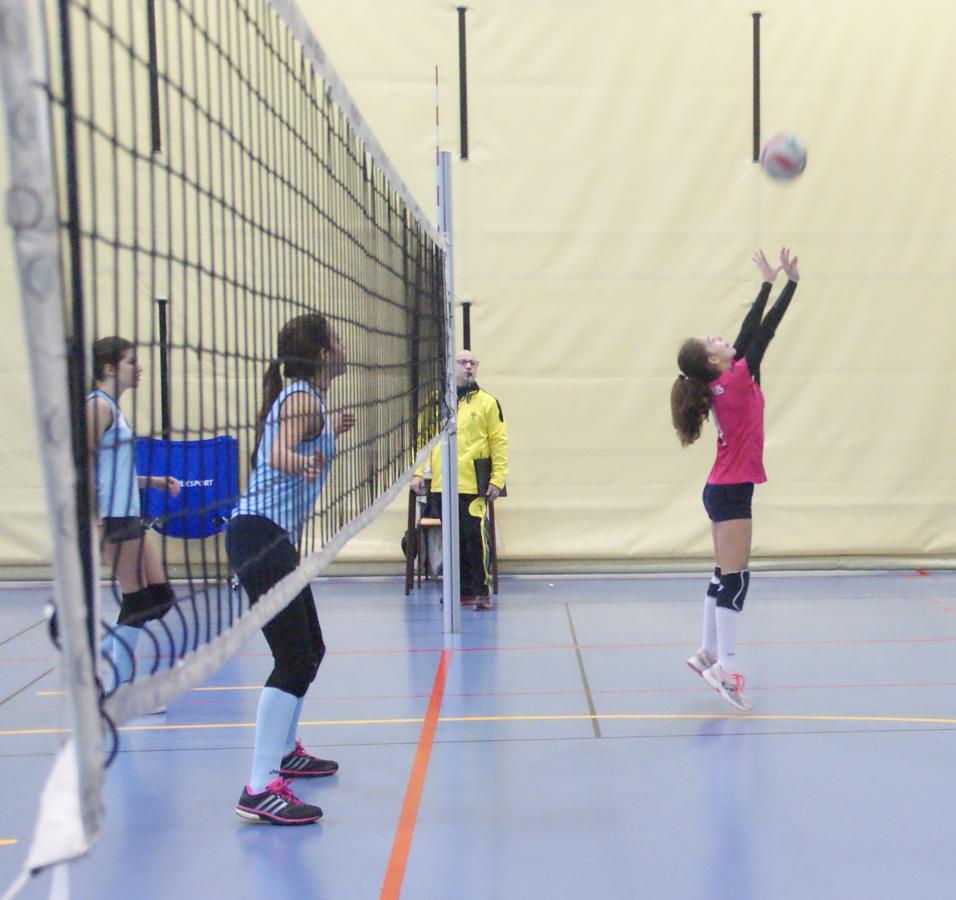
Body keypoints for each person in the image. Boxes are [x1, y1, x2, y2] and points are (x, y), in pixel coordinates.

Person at [227, 312, 355, 826]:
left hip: (270, 538)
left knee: (311, 650)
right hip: (259, 537)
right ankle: (259, 788)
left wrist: (328, 430)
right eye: (337, 341)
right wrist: (297, 460)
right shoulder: (301, 399)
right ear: (323, 354)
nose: (343, 347)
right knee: (294, 657)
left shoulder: (309, 402)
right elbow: (276, 450)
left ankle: (284, 753)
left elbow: (296, 436)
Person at [670, 248, 800, 712]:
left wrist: (768, 282)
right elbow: (761, 333)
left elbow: (748, 337)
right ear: (714, 360)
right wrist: (788, 284)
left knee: (722, 574)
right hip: (730, 492)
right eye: (715, 341)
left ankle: (707, 652)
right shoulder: (737, 378)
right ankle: (724, 668)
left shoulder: (727, 381)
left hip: (722, 489)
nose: (723, 339)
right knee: (736, 580)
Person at [87, 337, 181, 692]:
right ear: (109, 368)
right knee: (137, 600)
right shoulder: (97, 407)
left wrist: (151, 481)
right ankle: (119, 686)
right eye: (131, 361)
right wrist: (95, 521)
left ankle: (110, 658)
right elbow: (83, 467)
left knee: (160, 597)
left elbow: (112, 470)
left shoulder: (113, 407)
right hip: (111, 518)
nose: (139, 368)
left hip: (128, 513)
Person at [410, 349, 508, 610]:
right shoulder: (436, 402)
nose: (468, 367)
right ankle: (461, 591)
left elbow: (499, 442)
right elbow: (422, 440)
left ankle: (481, 591)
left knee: (475, 537)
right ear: (451, 367)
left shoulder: (488, 402)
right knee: (453, 541)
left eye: (472, 363)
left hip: (473, 484)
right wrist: (418, 472)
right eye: (463, 362)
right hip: (443, 483)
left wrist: (497, 478)